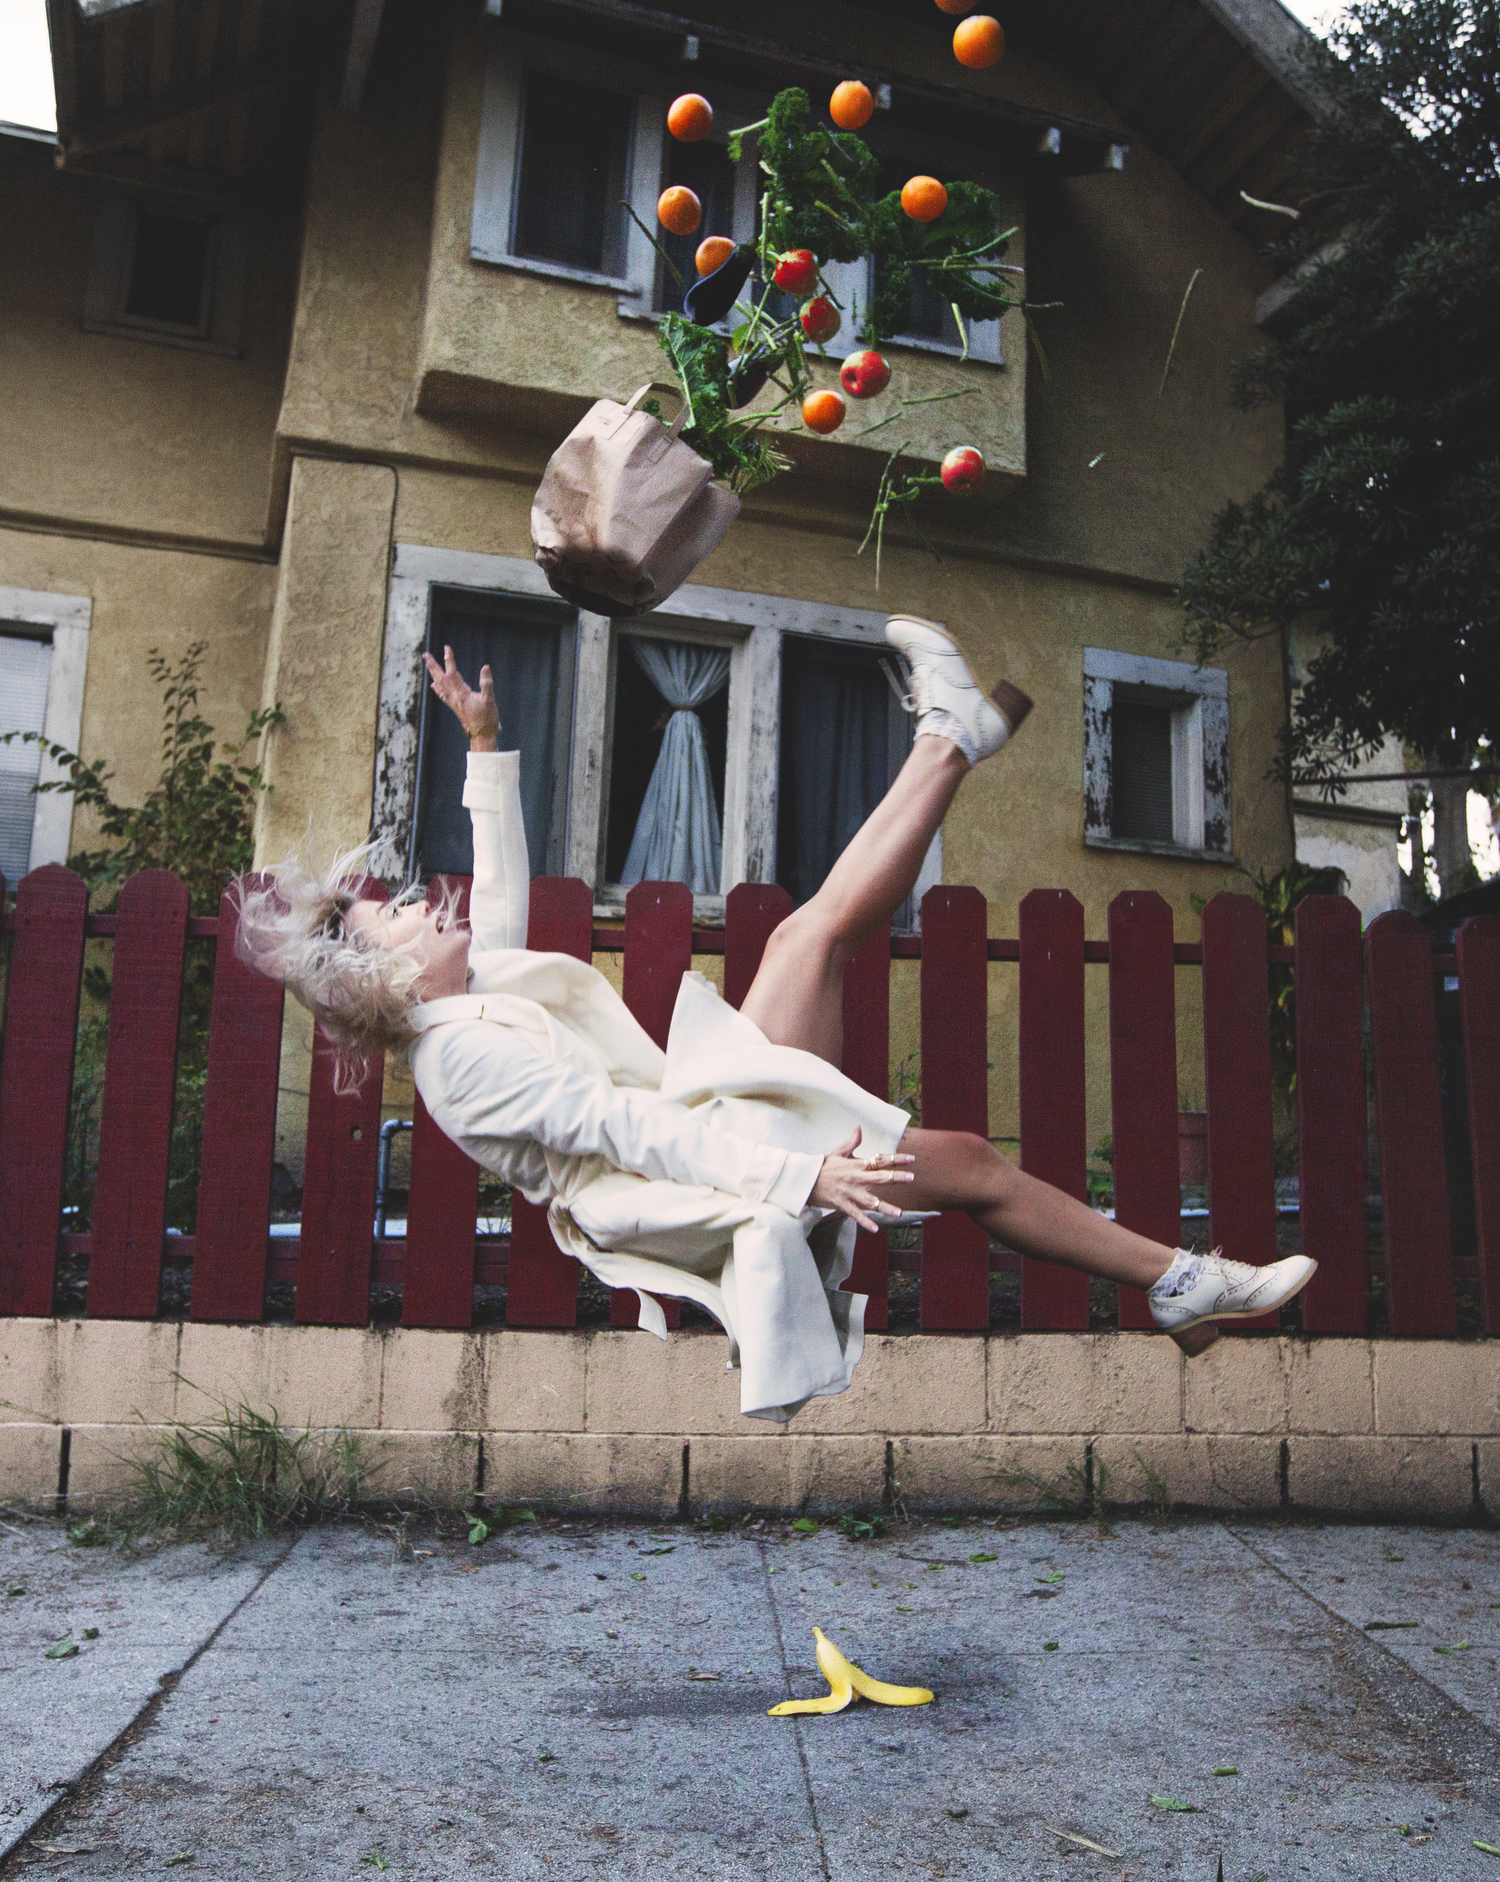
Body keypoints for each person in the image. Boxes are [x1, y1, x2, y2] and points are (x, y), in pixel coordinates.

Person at [237, 617, 1314, 1421]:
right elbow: (627, 1132)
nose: (424, 905)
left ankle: (951, 737)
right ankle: (1180, 1280)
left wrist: (483, 745)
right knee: (953, 1137)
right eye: (396, 916)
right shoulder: (461, 1061)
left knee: (828, 962)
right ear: (382, 981)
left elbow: (503, 895)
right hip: (699, 1177)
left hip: (705, 1130)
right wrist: (802, 1178)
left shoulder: (470, 1002)